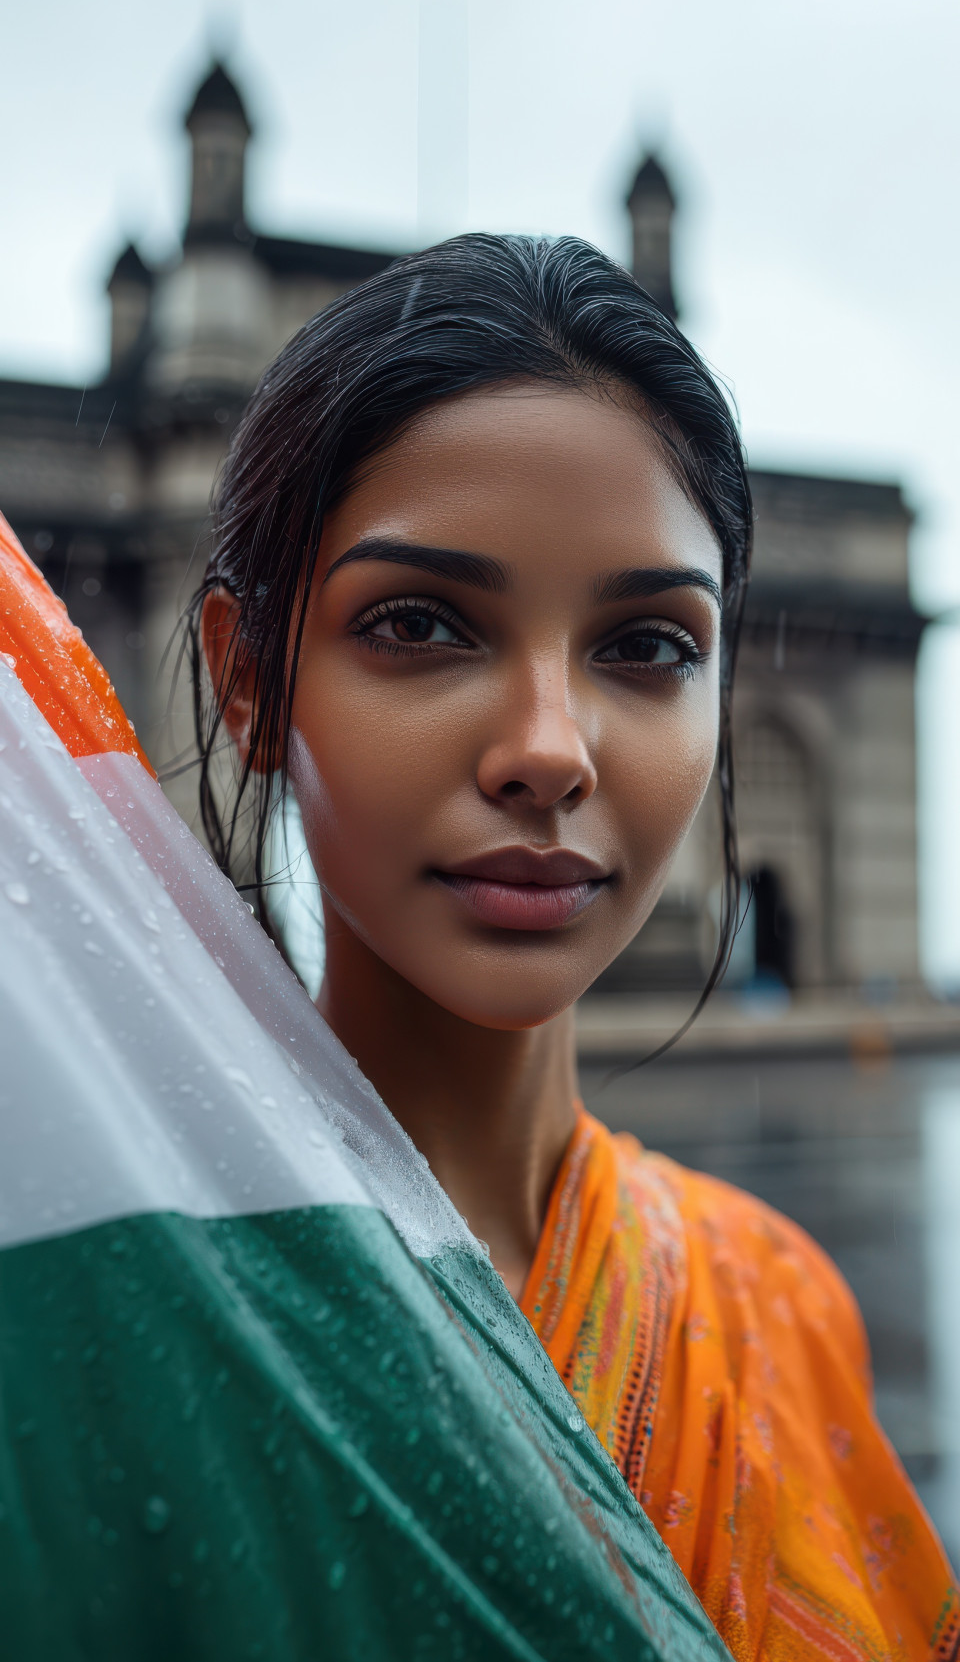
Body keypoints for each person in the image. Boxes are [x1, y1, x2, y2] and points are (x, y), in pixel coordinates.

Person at [193, 233, 958, 1662]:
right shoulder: (113, 1299)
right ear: (249, 681)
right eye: (421, 623)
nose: (549, 750)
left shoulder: (777, 1308)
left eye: (648, 645)